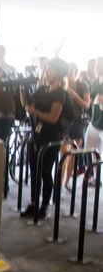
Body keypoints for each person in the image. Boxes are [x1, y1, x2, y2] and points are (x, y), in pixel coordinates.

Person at [19, 57, 68, 219]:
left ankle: (45, 205)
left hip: (51, 138)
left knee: (46, 172)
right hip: (37, 135)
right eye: (46, 70)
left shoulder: (60, 94)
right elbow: (27, 105)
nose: (46, 73)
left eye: (49, 70)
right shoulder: (43, 90)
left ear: (58, 73)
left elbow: (54, 117)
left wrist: (35, 112)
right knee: (34, 170)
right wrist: (21, 89)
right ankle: (33, 203)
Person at [60, 63, 91, 190]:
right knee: (64, 154)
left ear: (75, 72)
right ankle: (60, 182)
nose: (68, 75)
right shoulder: (62, 85)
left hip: (78, 123)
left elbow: (86, 105)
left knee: (73, 154)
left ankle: (66, 181)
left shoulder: (82, 85)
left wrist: (75, 96)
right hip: (65, 124)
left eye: (70, 72)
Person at [85, 57, 103, 185]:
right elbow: (90, 101)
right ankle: (95, 178)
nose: (97, 67)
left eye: (99, 65)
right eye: (96, 65)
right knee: (90, 151)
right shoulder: (95, 82)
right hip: (94, 123)